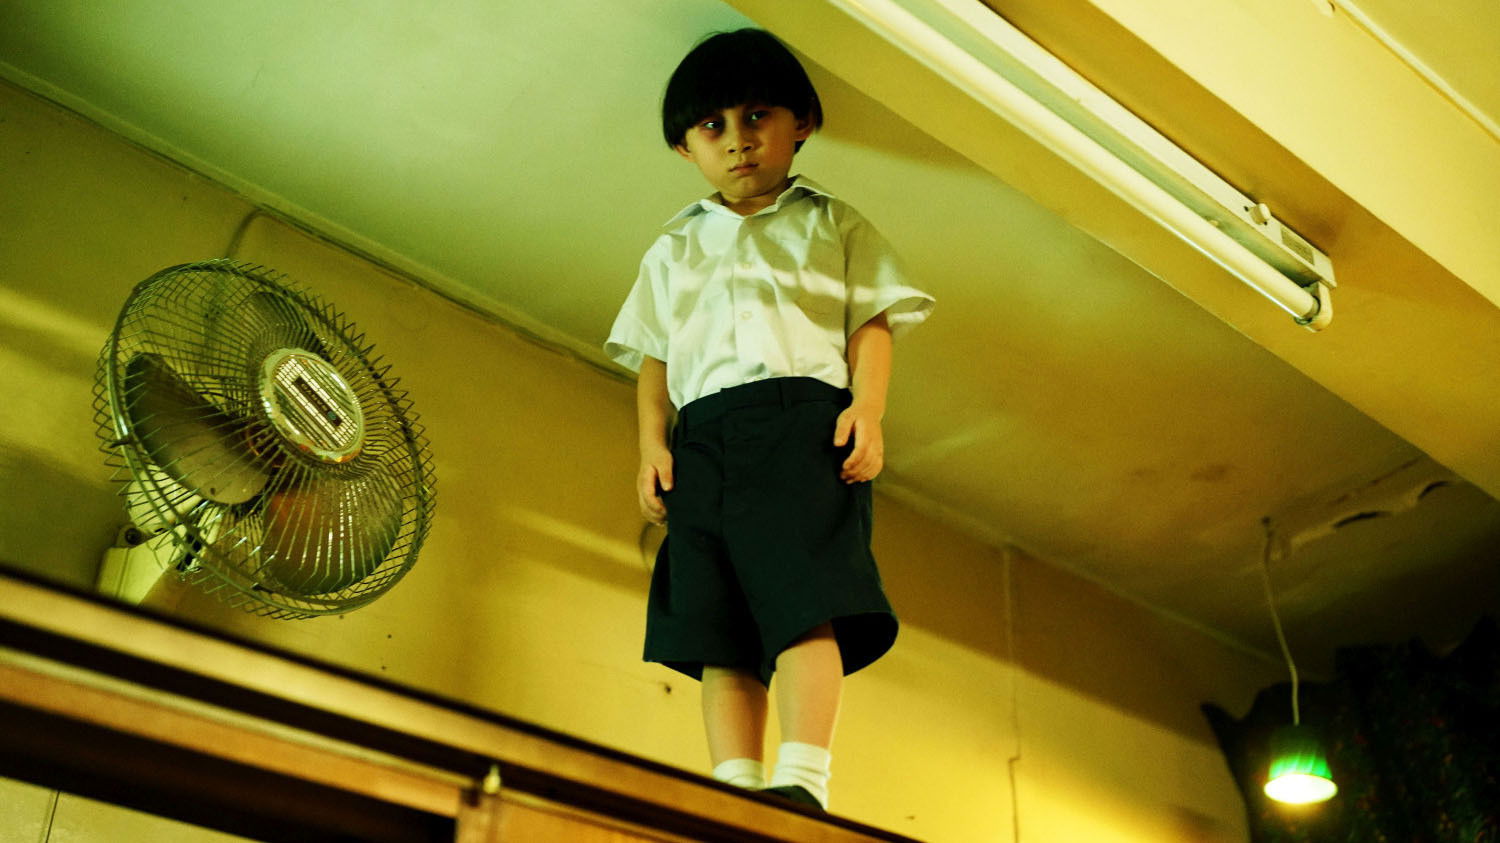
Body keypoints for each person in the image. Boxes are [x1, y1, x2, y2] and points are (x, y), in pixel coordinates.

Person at [604, 28, 933, 812]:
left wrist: (868, 409)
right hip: (702, 442)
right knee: (718, 627)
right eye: (712, 125)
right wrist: (652, 445)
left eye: (756, 116)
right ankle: (734, 790)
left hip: (800, 425)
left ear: (801, 123)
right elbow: (654, 357)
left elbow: (872, 322)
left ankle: (805, 779)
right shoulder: (673, 247)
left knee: (803, 602)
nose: (738, 140)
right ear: (684, 146)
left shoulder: (833, 223)